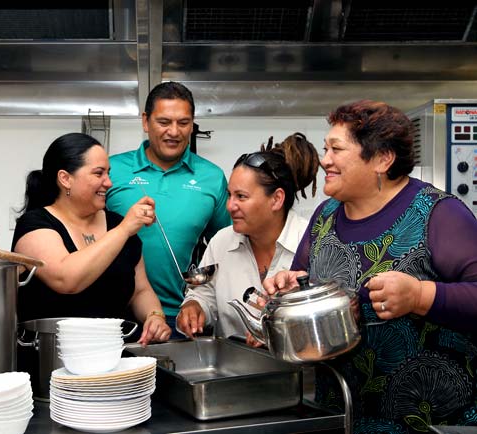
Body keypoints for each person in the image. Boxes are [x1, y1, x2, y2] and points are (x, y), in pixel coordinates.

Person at [263, 100, 477, 433]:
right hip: (342, 415)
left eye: (336, 149)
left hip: (428, 422)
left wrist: (420, 295)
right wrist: (291, 284)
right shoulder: (325, 215)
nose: (324, 160)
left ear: (382, 158)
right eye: (325, 148)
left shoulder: (439, 214)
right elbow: (305, 278)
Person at [11, 133, 171, 345]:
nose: (109, 182)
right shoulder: (35, 224)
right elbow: (67, 279)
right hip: (51, 360)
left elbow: (140, 290)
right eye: (99, 174)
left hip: (113, 356)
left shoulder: (117, 223)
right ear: (65, 179)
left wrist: (154, 316)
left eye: (108, 173)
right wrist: (123, 230)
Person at [106, 82, 231, 335]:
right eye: (164, 122)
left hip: (183, 319)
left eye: (183, 123)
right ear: (145, 121)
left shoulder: (212, 177)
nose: (174, 132)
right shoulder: (112, 170)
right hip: (115, 317)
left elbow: (227, 247)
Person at [176, 133, 319, 341]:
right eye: (229, 195)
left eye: (241, 197)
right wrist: (193, 307)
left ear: (277, 199)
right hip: (233, 370)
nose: (230, 206)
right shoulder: (221, 242)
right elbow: (201, 293)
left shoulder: (313, 243)